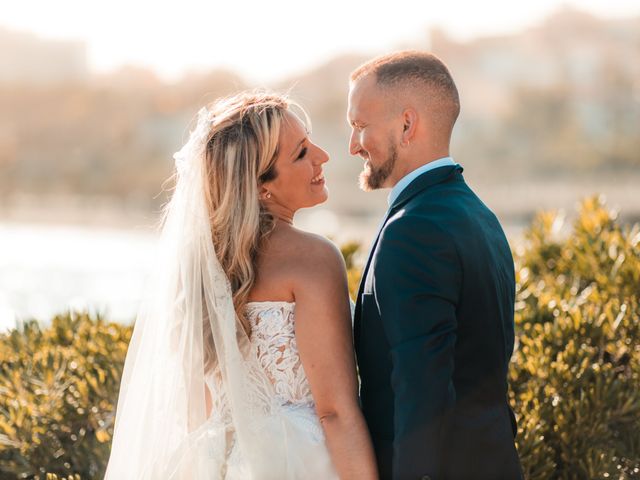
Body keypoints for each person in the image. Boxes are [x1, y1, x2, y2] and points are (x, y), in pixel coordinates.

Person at [105, 92, 377, 479]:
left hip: (219, 462)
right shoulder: (313, 259)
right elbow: (335, 412)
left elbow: (195, 409)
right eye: (301, 153)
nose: (322, 156)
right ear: (260, 185)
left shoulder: (198, 267)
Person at [348, 51, 523, 479]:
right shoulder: (480, 215)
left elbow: (422, 394)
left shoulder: (414, 229)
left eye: (360, 126)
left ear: (406, 125)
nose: (353, 145)